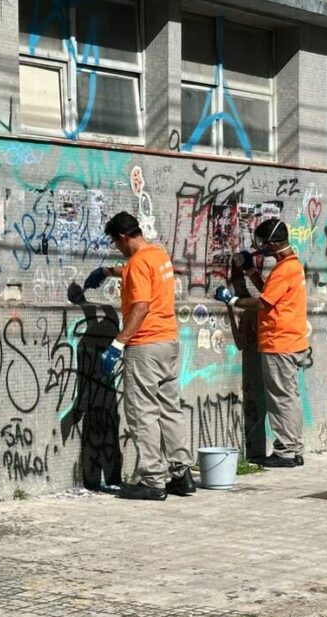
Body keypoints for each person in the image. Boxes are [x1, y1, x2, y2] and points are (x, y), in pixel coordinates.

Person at [83, 211, 195, 500]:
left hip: (145, 346)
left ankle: (153, 481)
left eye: (115, 243)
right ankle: (181, 475)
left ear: (122, 237)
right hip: (169, 342)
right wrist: (109, 272)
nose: (117, 248)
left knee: (142, 412)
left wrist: (119, 343)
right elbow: (139, 273)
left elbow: (141, 306)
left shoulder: (137, 263)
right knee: (170, 408)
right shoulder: (158, 255)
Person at [215, 218, 309, 468]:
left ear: (273, 243)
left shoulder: (284, 269)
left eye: (263, 243)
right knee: (290, 397)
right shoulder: (292, 266)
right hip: (291, 340)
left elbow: (263, 303)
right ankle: (294, 448)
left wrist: (232, 300)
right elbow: (270, 292)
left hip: (280, 342)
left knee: (281, 399)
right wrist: (250, 273)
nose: (260, 248)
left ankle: (286, 452)